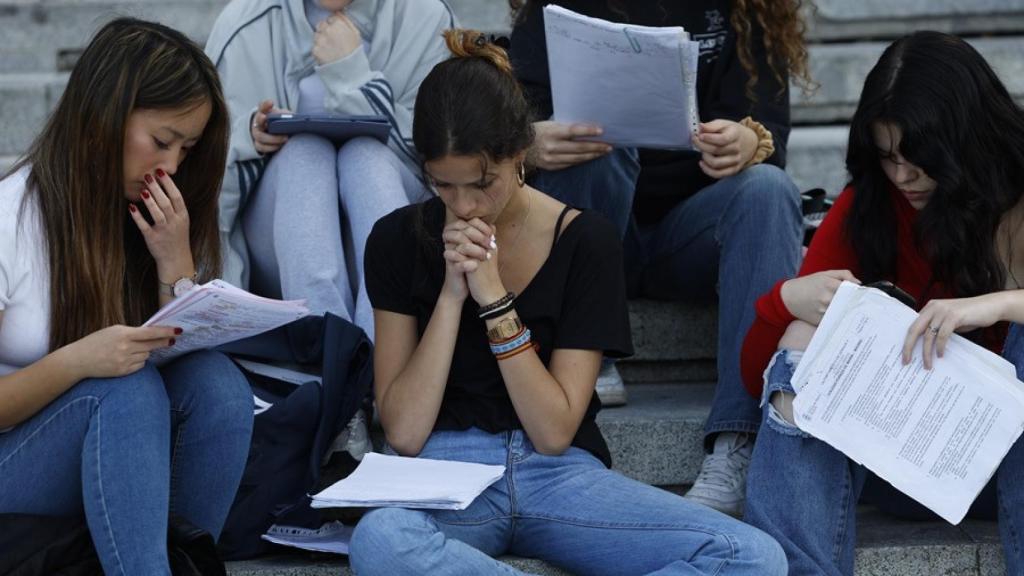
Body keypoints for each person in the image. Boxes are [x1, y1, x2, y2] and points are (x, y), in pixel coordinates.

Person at [347, 29, 787, 576]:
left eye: (482, 183)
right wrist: (452, 293)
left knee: (753, 556)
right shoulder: (397, 239)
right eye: (443, 185)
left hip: (558, 475)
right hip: (443, 469)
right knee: (382, 539)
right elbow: (406, 433)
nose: (462, 205)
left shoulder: (586, 241)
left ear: (519, 156)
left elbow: (553, 430)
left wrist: (494, 302)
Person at [507, 0, 811, 516]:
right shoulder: (556, 8)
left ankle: (737, 441)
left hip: (692, 230)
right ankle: (585, 349)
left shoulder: (747, 9)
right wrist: (526, 143)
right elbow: (509, 116)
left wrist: (747, 140)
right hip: (592, 219)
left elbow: (768, 131)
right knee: (603, 145)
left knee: (768, 189)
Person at [741, 31, 1024, 575]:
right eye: (887, 156)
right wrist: (783, 301)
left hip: (1008, 454)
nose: (902, 176)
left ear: (966, 139)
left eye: (920, 159)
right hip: (909, 457)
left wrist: (994, 305)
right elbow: (761, 378)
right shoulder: (870, 203)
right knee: (804, 337)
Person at [0, 18, 253, 575]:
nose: (172, 167)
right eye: (162, 141)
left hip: (110, 445)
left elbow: (173, 366)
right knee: (121, 391)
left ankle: (183, 564)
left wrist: (175, 267)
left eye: (186, 149)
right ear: (102, 117)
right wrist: (76, 362)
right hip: (13, 461)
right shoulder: (9, 217)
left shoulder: (149, 216)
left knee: (219, 387)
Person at [205, 0, 454, 340]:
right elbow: (205, 173)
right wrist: (247, 138)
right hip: (279, 257)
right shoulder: (245, 22)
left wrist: (351, 78)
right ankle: (326, 348)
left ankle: (384, 354)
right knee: (305, 154)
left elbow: (446, 157)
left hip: (395, 228)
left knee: (365, 158)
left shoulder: (426, 15)